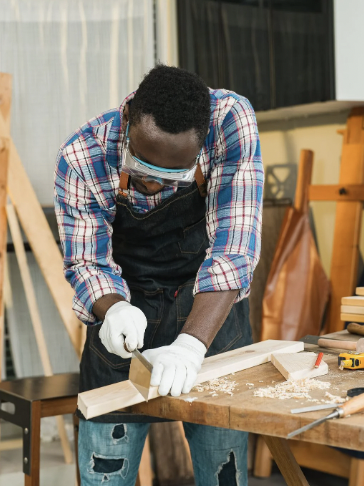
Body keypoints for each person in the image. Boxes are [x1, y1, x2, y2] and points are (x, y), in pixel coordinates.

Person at [54, 65, 263, 486]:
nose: (152, 183)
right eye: (143, 165)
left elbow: (233, 248)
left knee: (224, 470)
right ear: (128, 116)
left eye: (172, 175)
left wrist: (190, 345)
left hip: (208, 311)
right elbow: (87, 261)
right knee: (104, 473)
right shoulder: (83, 156)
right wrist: (112, 310)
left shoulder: (229, 121)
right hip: (125, 311)